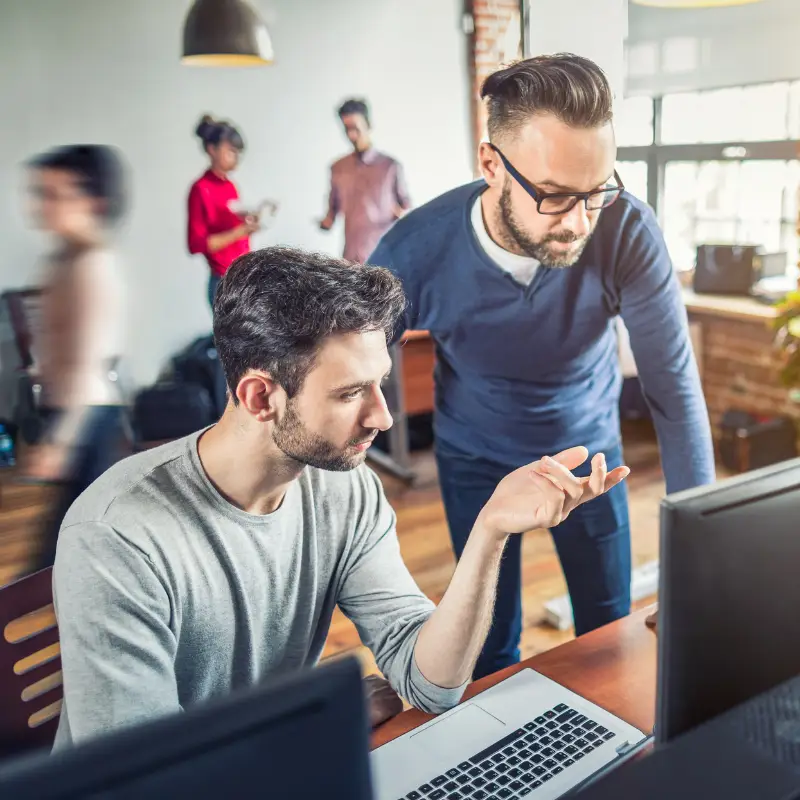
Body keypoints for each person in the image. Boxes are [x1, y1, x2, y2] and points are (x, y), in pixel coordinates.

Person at [51, 246, 629, 749]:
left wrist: (491, 530)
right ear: (260, 397)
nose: (382, 415)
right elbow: (146, 780)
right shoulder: (117, 536)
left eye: (380, 382)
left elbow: (430, 680)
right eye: (352, 392)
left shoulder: (343, 488)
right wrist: (312, 720)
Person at [368, 54, 715, 679]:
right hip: (475, 457)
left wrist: (700, 562)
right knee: (491, 647)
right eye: (555, 196)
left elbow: (672, 389)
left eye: (597, 191)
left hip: (590, 457)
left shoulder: (625, 230)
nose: (580, 222)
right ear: (491, 165)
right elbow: (347, 380)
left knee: (608, 633)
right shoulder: (413, 250)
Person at [23, 145, 128, 571]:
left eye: (56, 194)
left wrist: (61, 442)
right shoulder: (64, 258)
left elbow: (89, 366)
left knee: (63, 553)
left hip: (89, 419)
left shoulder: (91, 265)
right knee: (70, 548)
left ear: (94, 202)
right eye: (40, 193)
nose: (42, 205)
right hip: (71, 414)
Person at [319, 98, 411, 263]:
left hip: (385, 255)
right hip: (351, 258)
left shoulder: (390, 166)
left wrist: (402, 215)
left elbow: (406, 209)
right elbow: (332, 212)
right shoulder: (337, 168)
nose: (351, 135)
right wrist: (325, 222)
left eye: (355, 128)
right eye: (347, 129)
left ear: (368, 124)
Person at [187, 115, 262, 308]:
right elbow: (197, 244)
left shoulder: (230, 186)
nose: (235, 157)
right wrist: (241, 231)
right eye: (230, 151)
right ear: (212, 150)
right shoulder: (200, 189)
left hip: (244, 277)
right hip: (223, 281)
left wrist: (246, 222)